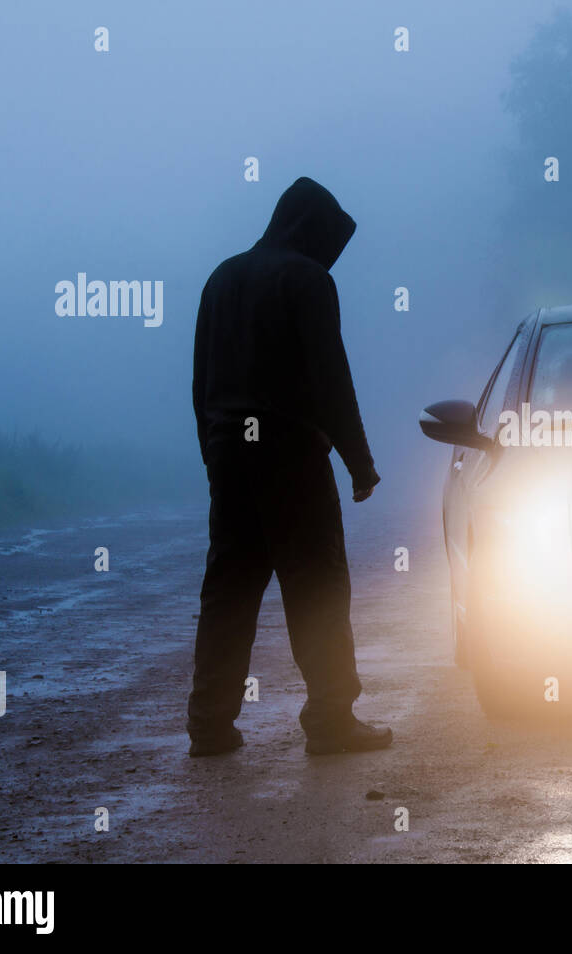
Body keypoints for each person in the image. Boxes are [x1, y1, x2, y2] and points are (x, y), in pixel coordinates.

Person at [187, 176, 392, 757]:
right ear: (309, 229)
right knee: (318, 585)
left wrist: (213, 450)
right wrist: (360, 463)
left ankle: (209, 725)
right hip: (291, 456)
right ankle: (330, 720)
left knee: (227, 588)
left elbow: (200, 383)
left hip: (230, 452)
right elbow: (332, 379)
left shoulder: (221, 277)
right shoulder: (308, 280)